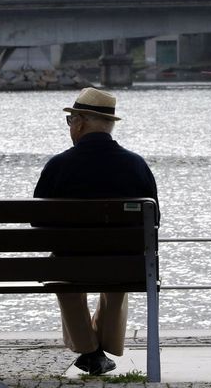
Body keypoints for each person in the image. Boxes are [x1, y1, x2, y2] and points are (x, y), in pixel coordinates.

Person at [33, 87, 159, 375]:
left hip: (70, 263)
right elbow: (154, 221)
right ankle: (101, 349)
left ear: (80, 122)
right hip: (123, 265)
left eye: (70, 121)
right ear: (109, 126)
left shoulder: (58, 166)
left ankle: (90, 350)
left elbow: (37, 223)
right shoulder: (136, 165)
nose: (69, 128)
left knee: (65, 278)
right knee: (117, 278)